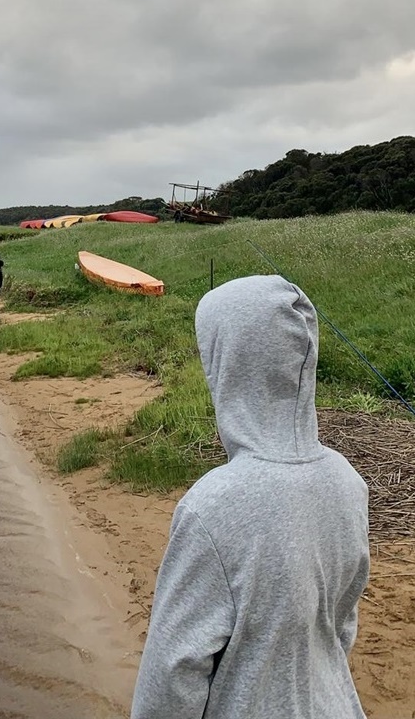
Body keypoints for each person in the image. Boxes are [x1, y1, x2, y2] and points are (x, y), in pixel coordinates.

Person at [131, 275, 370, 719]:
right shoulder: (348, 482)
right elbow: (341, 628)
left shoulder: (212, 507)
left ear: (229, 363)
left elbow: (171, 677)